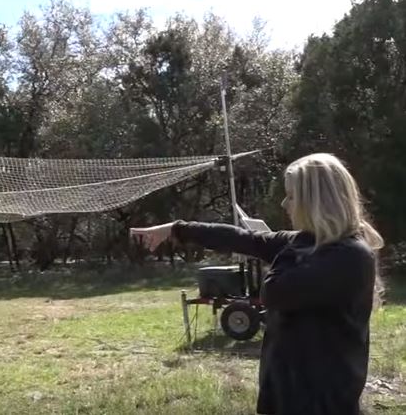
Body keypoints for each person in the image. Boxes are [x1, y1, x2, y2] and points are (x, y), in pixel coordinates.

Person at [130, 153, 384, 415]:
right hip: (289, 395)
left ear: (315, 202)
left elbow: (274, 292)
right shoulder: (313, 243)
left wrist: (289, 247)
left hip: (322, 403)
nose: (285, 203)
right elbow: (242, 239)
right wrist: (177, 228)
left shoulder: (348, 255)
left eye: (292, 196)